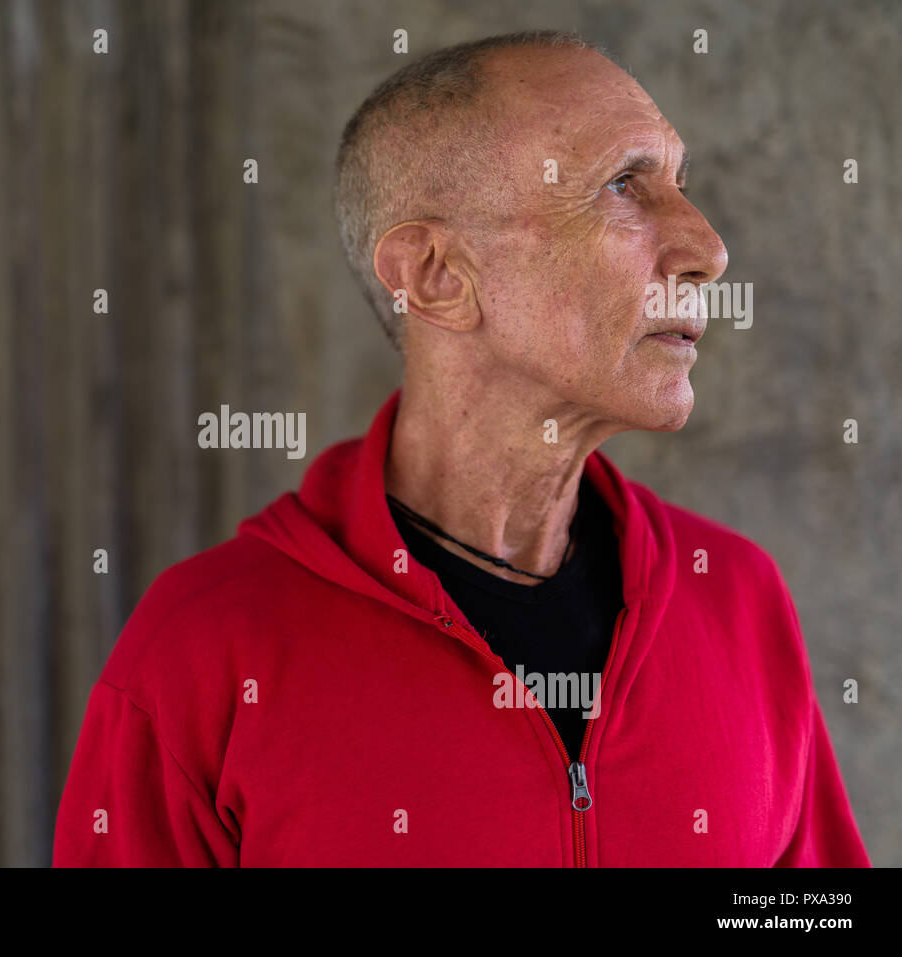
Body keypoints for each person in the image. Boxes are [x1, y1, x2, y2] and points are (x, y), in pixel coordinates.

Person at [53, 31, 870, 866]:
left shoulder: (735, 598)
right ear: (437, 275)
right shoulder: (204, 651)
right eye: (624, 186)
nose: (708, 248)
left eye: (679, 183)